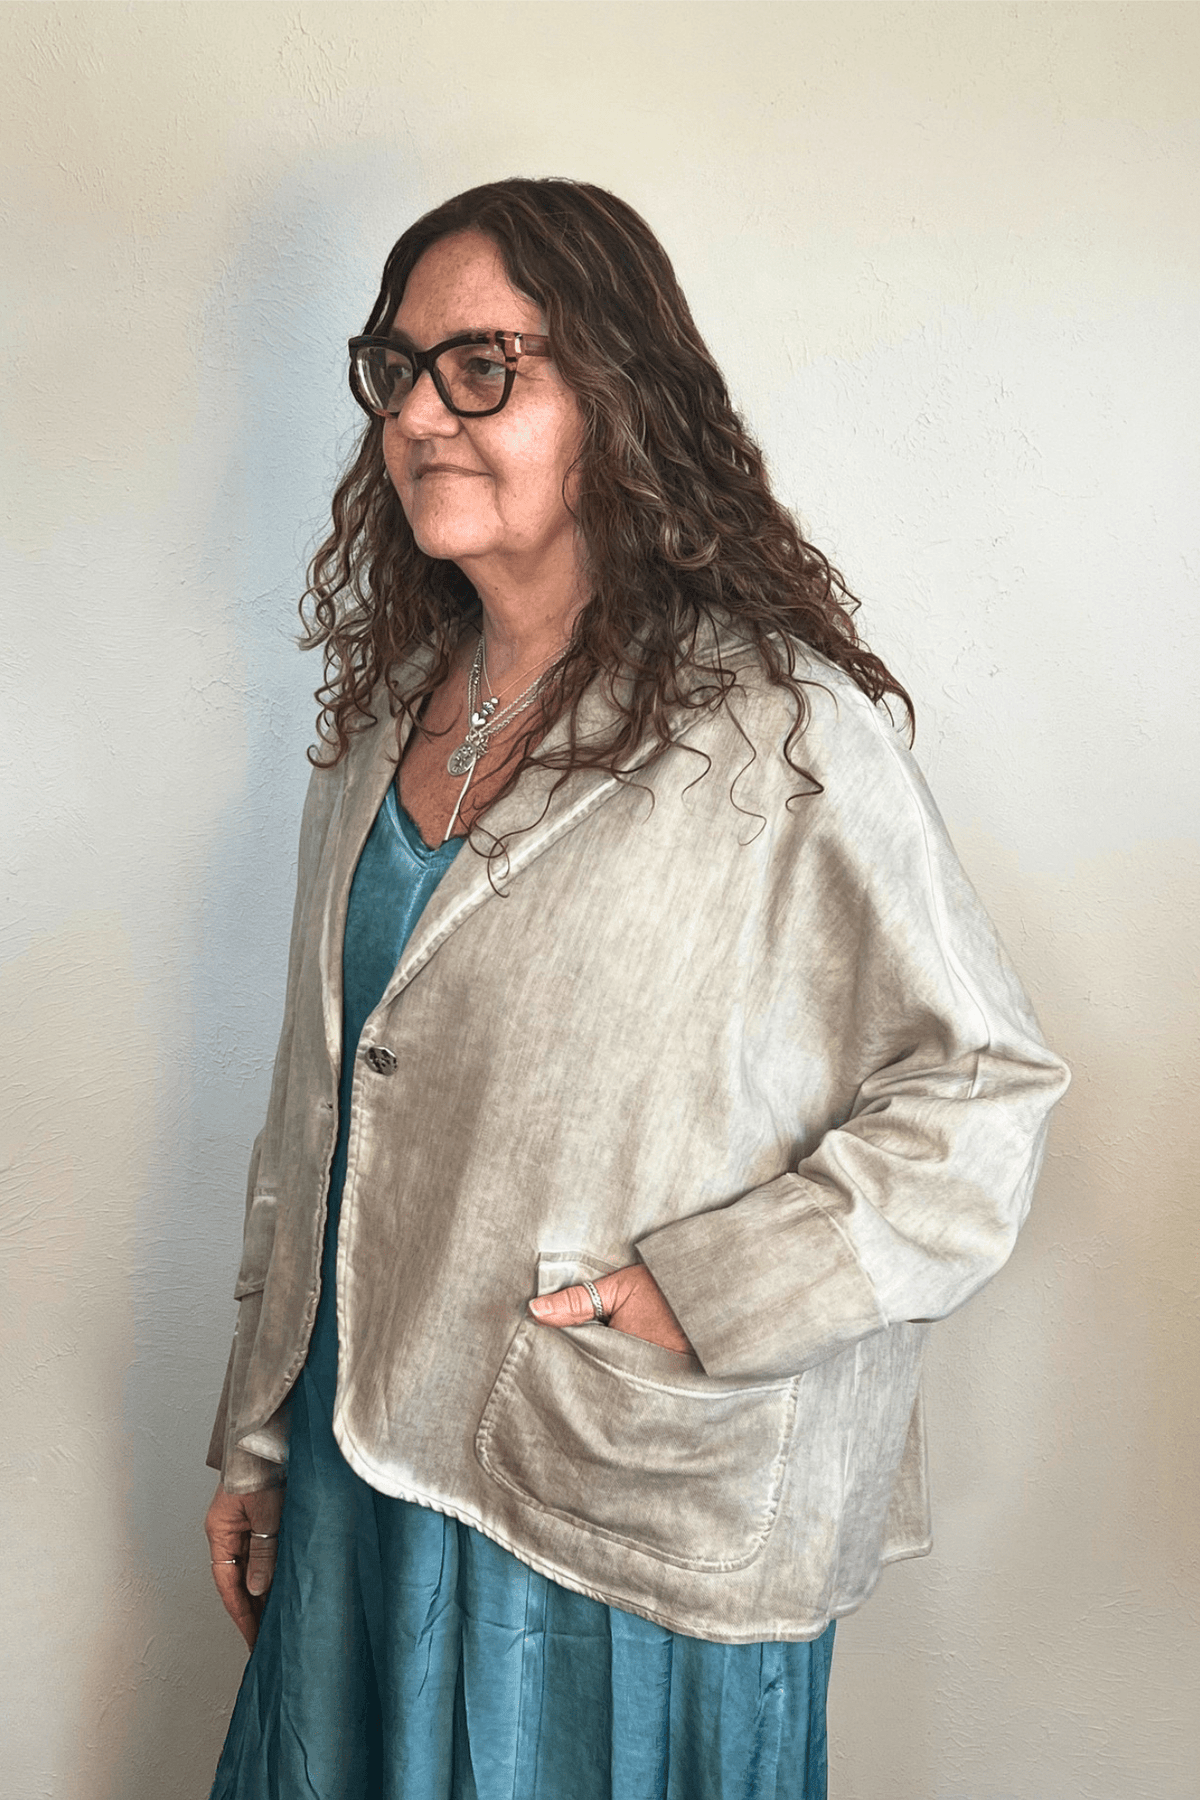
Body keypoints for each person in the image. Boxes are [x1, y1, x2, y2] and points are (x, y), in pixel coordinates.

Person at [203, 178, 1069, 1800]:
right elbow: (318, 1112)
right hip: (359, 1474)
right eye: (397, 371)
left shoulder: (777, 733)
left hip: (610, 1513)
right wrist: (261, 1431)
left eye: (483, 367)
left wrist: (713, 1291)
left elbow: (981, 1094)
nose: (419, 417)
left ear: (616, 396)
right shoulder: (389, 721)